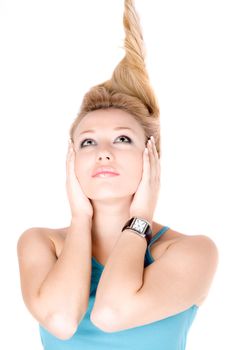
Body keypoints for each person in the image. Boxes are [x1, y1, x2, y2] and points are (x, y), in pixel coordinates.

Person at [17, 0, 219, 349]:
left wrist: (141, 219)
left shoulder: (190, 251)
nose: (103, 151)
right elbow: (62, 320)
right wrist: (80, 219)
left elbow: (111, 312)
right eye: (88, 142)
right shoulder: (40, 244)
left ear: (151, 156)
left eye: (123, 138)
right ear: (71, 161)